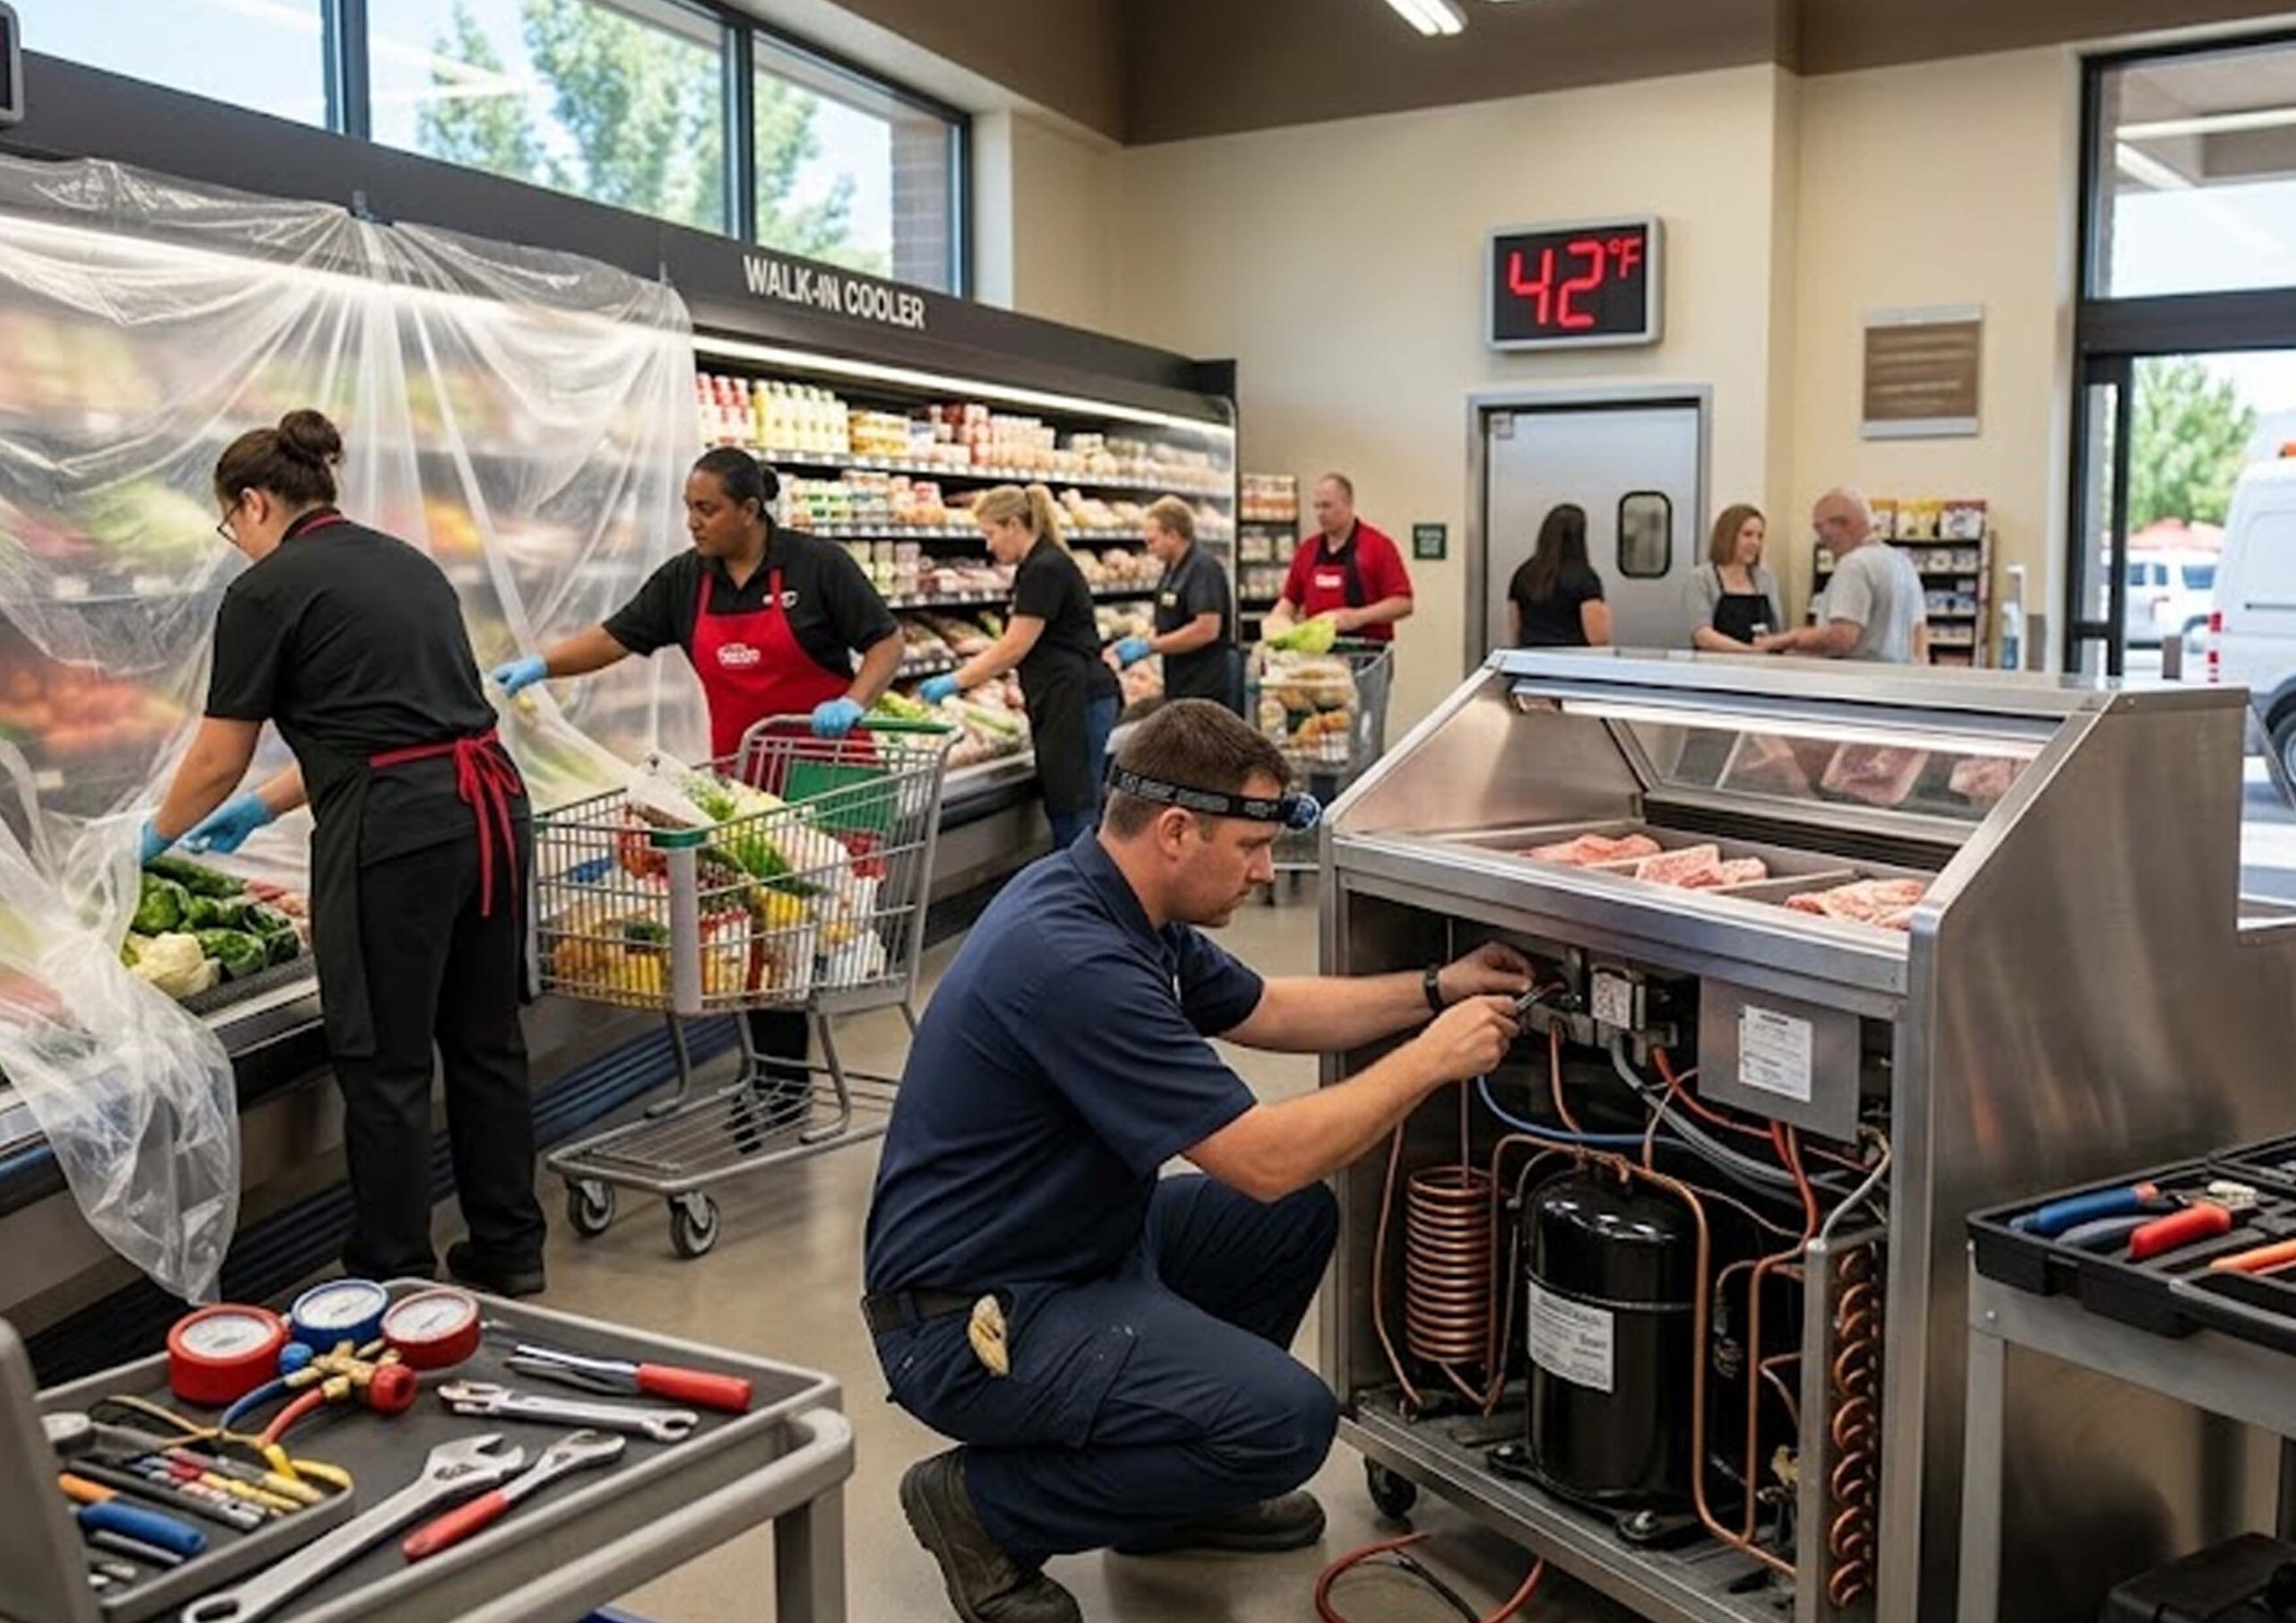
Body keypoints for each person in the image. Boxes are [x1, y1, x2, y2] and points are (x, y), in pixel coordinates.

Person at [863, 699, 1531, 1623]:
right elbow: (1259, 1157)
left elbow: (1268, 1008)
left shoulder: (1118, 904)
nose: (1265, 870)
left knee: (1292, 1221)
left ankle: (1163, 1504)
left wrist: (1432, 990)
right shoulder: (1073, 960)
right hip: (973, 1319)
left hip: (1074, 1250)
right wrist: (1433, 1058)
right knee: (1287, 1418)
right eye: (1250, 847)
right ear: (1176, 831)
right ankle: (981, 1510)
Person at [140, 410, 547, 1296]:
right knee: (484, 1041)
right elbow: (398, 725)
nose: (232, 545)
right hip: (487, 810)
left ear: (251, 502)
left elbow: (217, 752)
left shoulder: (267, 589)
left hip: (397, 834)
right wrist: (264, 806)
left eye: (227, 524)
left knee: (386, 1057)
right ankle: (511, 1251)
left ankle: (394, 1269)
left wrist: (150, 838)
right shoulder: (407, 562)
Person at [493, 447, 903, 1124]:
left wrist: (856, 701)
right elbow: (616, 636)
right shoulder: (689, 581)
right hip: (746, 784)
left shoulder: (816, 565)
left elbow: (886, 643)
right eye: (688, 507)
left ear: (751, 509)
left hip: (830, 776)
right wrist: (542, 664)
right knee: (763, 934)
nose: (693, 521)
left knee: (809, 939)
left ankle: (781, 1082)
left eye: (707, 508)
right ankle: (776, 1082)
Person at [920, 485, 1120, 848]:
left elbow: (1014, 646)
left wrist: (955, 680)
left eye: (990, 534)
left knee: (1073, 809)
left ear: (1013, 524)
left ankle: (1082, 894)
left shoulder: (1044, 568)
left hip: (1075, 700)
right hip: (1067, 697)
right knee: (1072, 805)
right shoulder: (1041, 564)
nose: (988, 546)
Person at [1756, 488, 1928, 663]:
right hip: (1897, 680)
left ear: (1843, 523)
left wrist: (1792, 639)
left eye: (1820, 528)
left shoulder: (1854, 564)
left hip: (1859, 681)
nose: (1821, 539)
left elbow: (1842, 637)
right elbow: (1919, 635)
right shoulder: (1902, 563)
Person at [1109, 495, 1239, 712]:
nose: (1149, 548)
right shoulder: (1171, 570)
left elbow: (1207, 629)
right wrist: (1140, 640)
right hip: (1180, 682)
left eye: (1153, 540)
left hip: (1204, 686)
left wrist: (1150, 646)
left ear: (1173, 535)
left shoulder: (1203, 568)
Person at [1262, 472, 1413, 644]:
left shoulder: (1378, 546)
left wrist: (1357, 617)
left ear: (1348, 504)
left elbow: (1404, 603)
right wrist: (1277, 622)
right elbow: (1290, 599)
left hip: (1367, 654)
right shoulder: (1307, 550)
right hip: (1318, 653)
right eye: (1317, 506)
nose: (1320, 513)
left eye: (1327, 506)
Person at [1507, 503, 1613, 648]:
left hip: (1530, 659)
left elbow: (1515, 629)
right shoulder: (1585, 578)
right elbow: (1598, 637)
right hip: (1572, 663)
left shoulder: (1523, 574)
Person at [1686, 503, 1785, 652]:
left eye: (1760, 536)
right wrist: (1748, 651)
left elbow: (1777, 629)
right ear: (1727, 536)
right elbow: (1702, 634)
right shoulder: (1701, 578)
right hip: (1715, 667)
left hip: (1760, 667)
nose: (1755, 543)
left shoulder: (1765, 579)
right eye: (1747, 535)